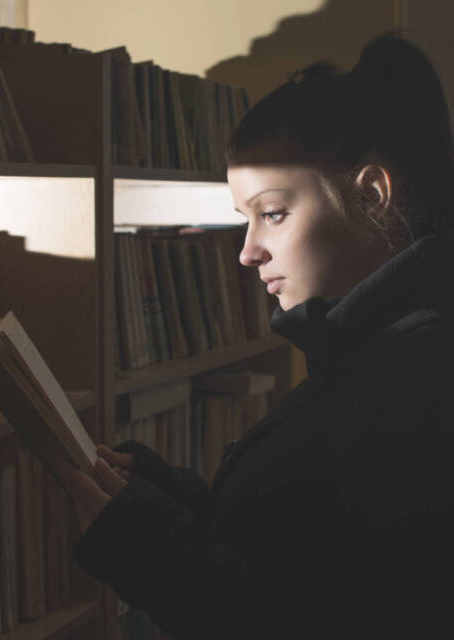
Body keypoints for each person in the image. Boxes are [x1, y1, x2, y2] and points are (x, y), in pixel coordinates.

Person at [51, 31, 454, 638]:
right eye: (245, 220)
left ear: (372, 196)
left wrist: (151, 549)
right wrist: (165, 499)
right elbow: (302, 553)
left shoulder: (423, 383)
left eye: (272, 213)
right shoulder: (361, 350)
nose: (247, 252)